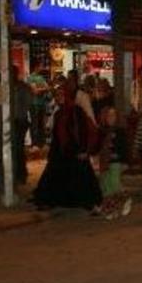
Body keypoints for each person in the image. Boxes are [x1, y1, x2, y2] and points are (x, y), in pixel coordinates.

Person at [31, 82, 102, 211]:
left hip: (76, 150)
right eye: (57, 95)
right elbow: (57, 135)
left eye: (61, 95)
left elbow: (82, 132)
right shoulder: (59, 113)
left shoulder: (76, 111)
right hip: (62, 151)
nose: (58, 98)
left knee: (81, 177)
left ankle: (89, 203)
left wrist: (83, 150)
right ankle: (50, 201)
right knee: (56, 175)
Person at [96, 106, 132, 219]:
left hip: (116, 162)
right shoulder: (101, 131)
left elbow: (125, 147)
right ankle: (111, 210)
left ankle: (126, 199)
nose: (111, 118)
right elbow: (97, 146)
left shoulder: (120, 131)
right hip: (104, 162)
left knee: (115, 185)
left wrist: (125, 162)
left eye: (113, 115)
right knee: (106, 186)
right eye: (108, 115)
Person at [10, 65, 32, 185]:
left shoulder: (23, 87)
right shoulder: (7, 86)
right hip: (11, 120)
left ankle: (21, 174)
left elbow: (27, 103)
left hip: (19, 120)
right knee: (13, 149)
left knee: (18, 148)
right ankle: (15, 173)